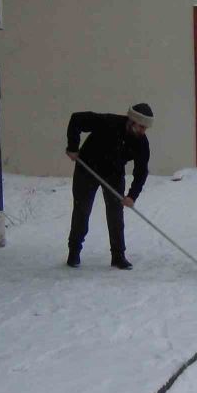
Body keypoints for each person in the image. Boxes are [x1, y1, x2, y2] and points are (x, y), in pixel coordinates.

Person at [65, 103, 153, 270]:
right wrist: (72, 146)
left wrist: (132, 196)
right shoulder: (108, 122)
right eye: (141, 126)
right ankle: (74, 251)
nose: (143, 131)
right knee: (82, 210)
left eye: (145, 128)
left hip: (114, 173)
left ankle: (118, 256)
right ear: (132, 120)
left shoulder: (141, 143)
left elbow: (141, 172)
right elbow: (77, 119)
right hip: (87, 168)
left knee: (115, 215)